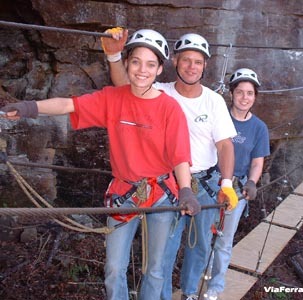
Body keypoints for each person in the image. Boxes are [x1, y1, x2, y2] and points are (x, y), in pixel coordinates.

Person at [1, 29, 201, 300]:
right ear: (127, 63)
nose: (142, 70)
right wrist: (28, 108)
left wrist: (186, 190)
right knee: (113, 268)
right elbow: (67, 105)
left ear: (159, 70)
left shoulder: (169, 108)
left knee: (155, 269)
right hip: (125, 191)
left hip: (161, 193)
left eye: (150, 64)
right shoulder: (112, 99)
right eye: (136, 62)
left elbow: (180, 155)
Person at [102, 28, 239, 300]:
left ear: (205, 66)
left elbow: (225, 145)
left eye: (198, 61)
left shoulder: (213, 101)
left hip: (204, 182)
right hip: (167, 183)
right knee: (162, 254)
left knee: (199, 245)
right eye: (186, 60)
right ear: (174, 62)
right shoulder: (159, 91)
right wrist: (115, 55)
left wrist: (226, 183)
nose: (191, 66)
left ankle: (188, 293)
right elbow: (123, 89)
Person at [204, 68, 270, 300]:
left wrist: (252, 182)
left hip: (237, 189)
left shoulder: (259, 128)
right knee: (203, 233)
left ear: (255, 97)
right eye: (240, 92)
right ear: (231, 93)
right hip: (210, 182)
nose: (244, 97)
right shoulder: (218, 116)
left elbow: (257, 161)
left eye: (249, 93)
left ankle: (215, 286)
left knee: (224, 239)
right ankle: (198, 277)